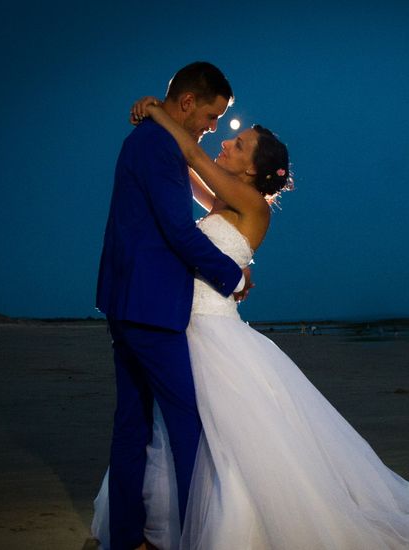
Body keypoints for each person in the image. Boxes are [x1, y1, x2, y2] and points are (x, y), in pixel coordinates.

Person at [93, 93, 409, 548]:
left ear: (254, 171)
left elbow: (193, 159)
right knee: (195, 430)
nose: (225, 142)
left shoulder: (251, 205)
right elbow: (187, 172)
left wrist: (159, 113)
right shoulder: (228, 199)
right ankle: (171, 523)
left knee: (213, 435)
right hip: (189, 323)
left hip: (210, 330)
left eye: (237, 144)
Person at [94, 61, 252, 550]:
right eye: (210, 115)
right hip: (153, 309)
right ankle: (197, 536)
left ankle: (126, 538)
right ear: (187, 103)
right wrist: (233, 275)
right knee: (188, 427)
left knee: (132, 425)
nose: (210, 127)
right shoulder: (161, 147)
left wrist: (154, 111)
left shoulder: (142, 139)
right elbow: (178, 233)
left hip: (123, 302)